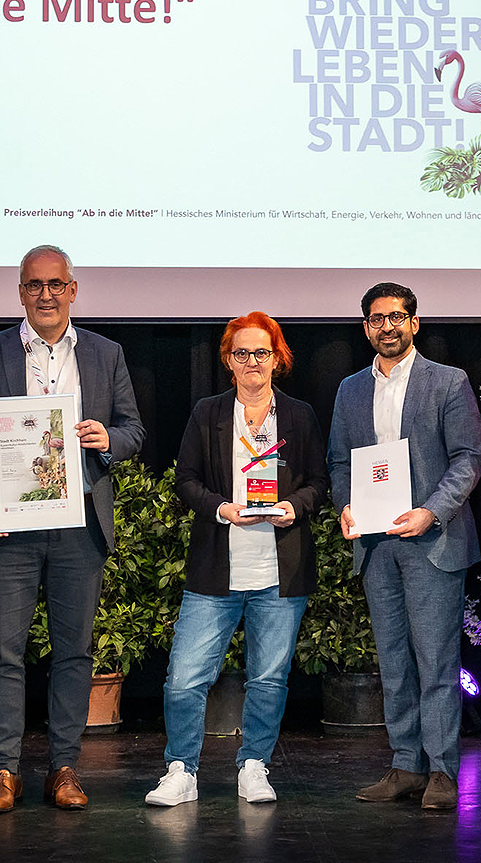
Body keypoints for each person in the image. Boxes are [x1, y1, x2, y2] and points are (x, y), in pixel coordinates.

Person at [0, 245, 145, 813]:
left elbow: (133, 430)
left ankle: (64, 767)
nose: (46, 295)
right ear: (20, 293)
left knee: (74, 653)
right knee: (4, 652)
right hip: (9, 529)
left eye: (56, 284)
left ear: (73, 290)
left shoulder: (105, 354)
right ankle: (3, 771)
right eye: (34, 285)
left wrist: (107, 440)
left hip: (78, 523)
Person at [145, 313, 329, 808]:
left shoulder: (299, 416)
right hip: (216, 568)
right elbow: (185, 480)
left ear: (277, 358)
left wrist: (295, 506)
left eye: (261, 352)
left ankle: (254, 765)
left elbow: (319, 480)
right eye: (241, 353)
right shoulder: (208, 413)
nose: (252, 361)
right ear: (228, 360)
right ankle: (181, 770)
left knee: (268, 679)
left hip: (280, 569)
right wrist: (220, 508)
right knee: (184, 679)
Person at [327, 282, 481, 811]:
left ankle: (441, 770)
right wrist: (346, 505)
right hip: (376, 545)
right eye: (377, 319)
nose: (387, 326)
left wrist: (431, 511)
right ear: (365, 327)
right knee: (393, 662)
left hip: (432, 541)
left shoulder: (448, 381)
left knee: (436, 661)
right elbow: (340, 462)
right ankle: (405, 765)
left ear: (414, 323)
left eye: (397, 316)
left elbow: (468, 458)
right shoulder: (350, 389)